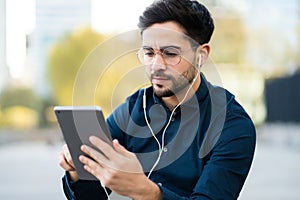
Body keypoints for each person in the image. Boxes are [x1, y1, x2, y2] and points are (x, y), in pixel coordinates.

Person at [58, 0, 256, 199]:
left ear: (201, 55)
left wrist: (145, 191)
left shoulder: (232, 126)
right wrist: (77, 170)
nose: (156, 65)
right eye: (149, 53)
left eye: (170, 53)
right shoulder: (133, 108)